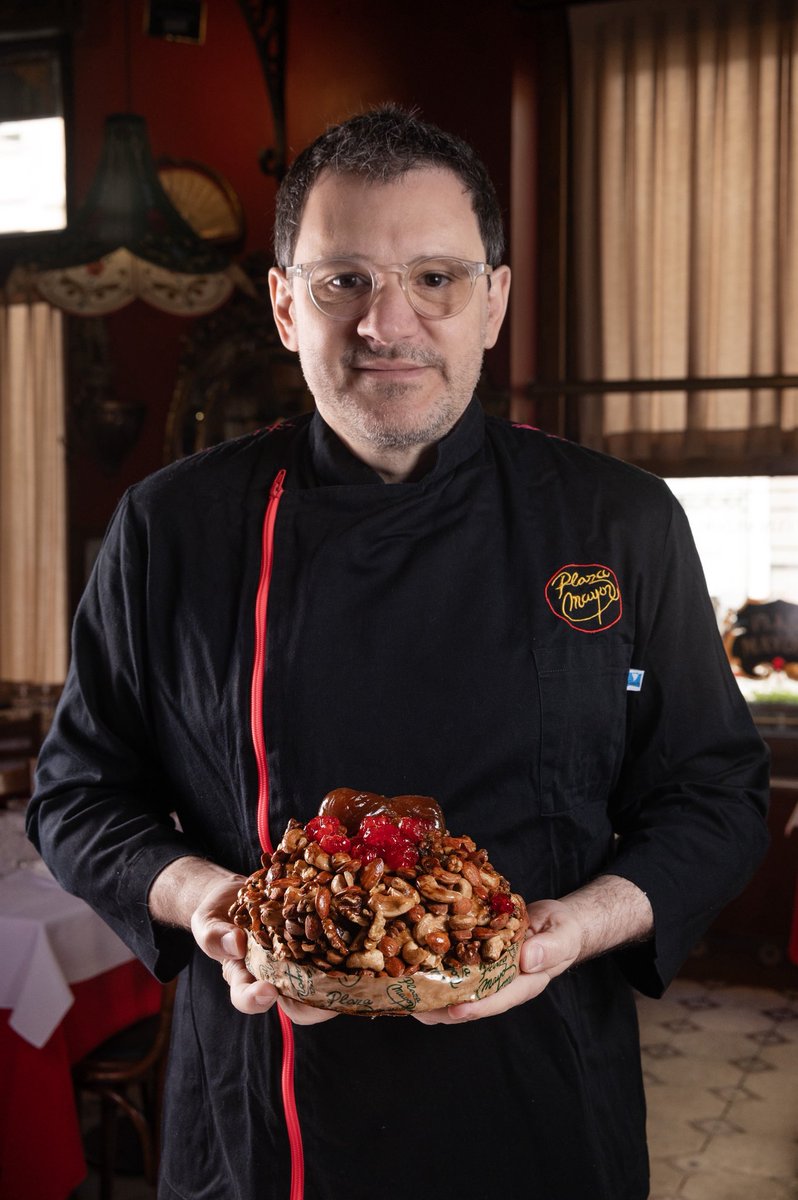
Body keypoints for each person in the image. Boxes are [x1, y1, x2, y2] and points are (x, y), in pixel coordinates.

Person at [28, 105, 770, 1200]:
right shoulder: (172, 526)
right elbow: (79, 796)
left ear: (494, 301)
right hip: (265, 1120)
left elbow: (715, 795)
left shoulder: (618, 522)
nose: (389, 324)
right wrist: (214, 904)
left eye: (436, 279)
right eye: (344, 282)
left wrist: (572, 929)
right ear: (286, 306)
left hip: (541, 1099)